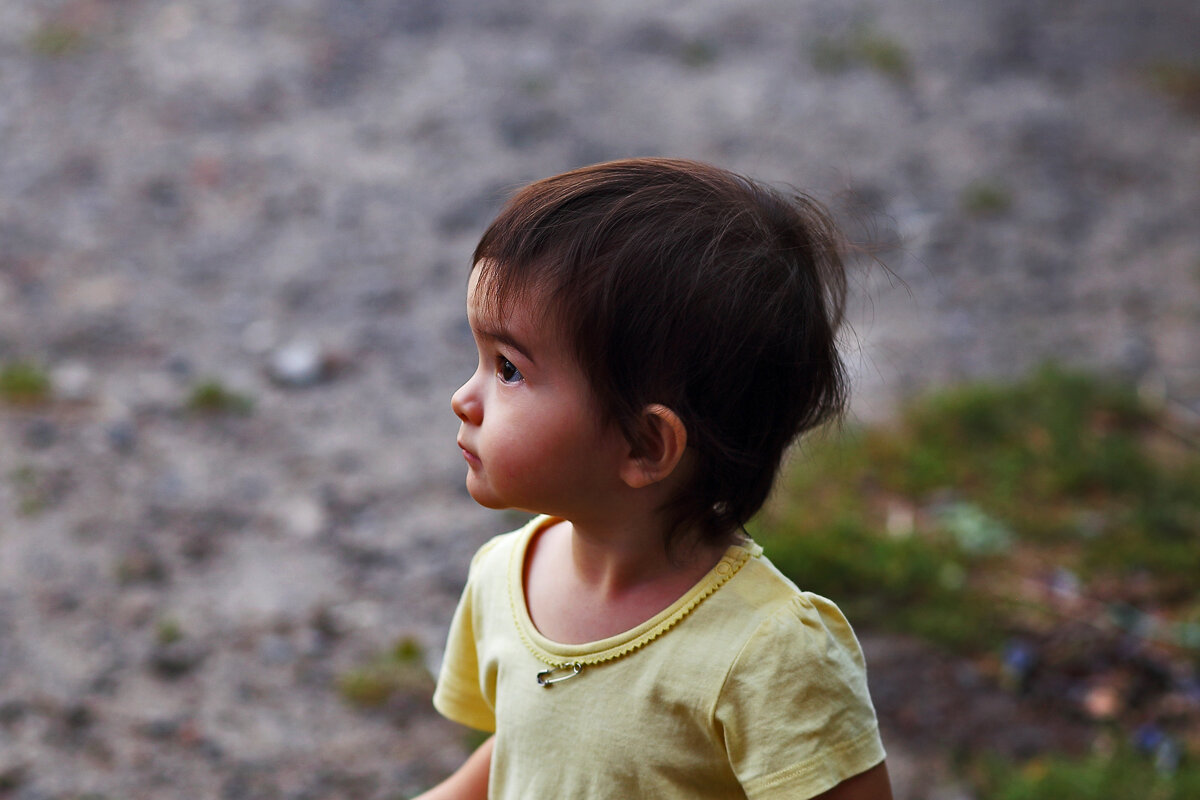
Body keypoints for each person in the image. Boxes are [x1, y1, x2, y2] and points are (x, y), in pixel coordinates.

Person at [418, 158, 892, 800]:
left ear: (644, 444)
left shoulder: (768, 655)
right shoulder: (505, 576)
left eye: (508, 370)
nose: (462, 398)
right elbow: (535, 743)